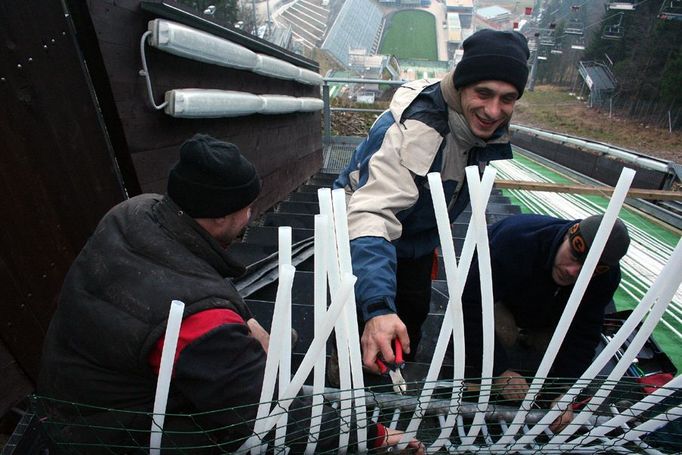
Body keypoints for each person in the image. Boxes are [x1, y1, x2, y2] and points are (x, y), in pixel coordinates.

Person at [38, 134, 423, 453]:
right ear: (221, 216)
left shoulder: (137, 212)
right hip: (113, 435)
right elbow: (268, 415)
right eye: (248, 206)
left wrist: (245, 320)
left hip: (73, 391)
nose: (252, 214)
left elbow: (195, 278)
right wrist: (376, 438)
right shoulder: (199, 323)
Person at [333, 29, 531, 372]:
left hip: (416, 238)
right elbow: (371, 214)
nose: (494, 110)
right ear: (461, 86)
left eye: (507, 98)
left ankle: (392, 374)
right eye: (483, 93)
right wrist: (378, 307)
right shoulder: (420, 133)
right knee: (360, 315)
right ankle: (345, 373)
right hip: (361, 230)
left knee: (411, 311)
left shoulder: (471, 125)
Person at [461, 213, 630, 431]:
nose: (572, 272)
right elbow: (471, 305)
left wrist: (562, 392)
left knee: (549, 344)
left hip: (548, 310)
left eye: (586, 271)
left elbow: (585, 333)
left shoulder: (606, 277)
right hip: (502, 299)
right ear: (569, 235)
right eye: (574, 257)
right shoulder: (515, 240)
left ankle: (530, 337)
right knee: (505, 334)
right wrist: (499, 370)